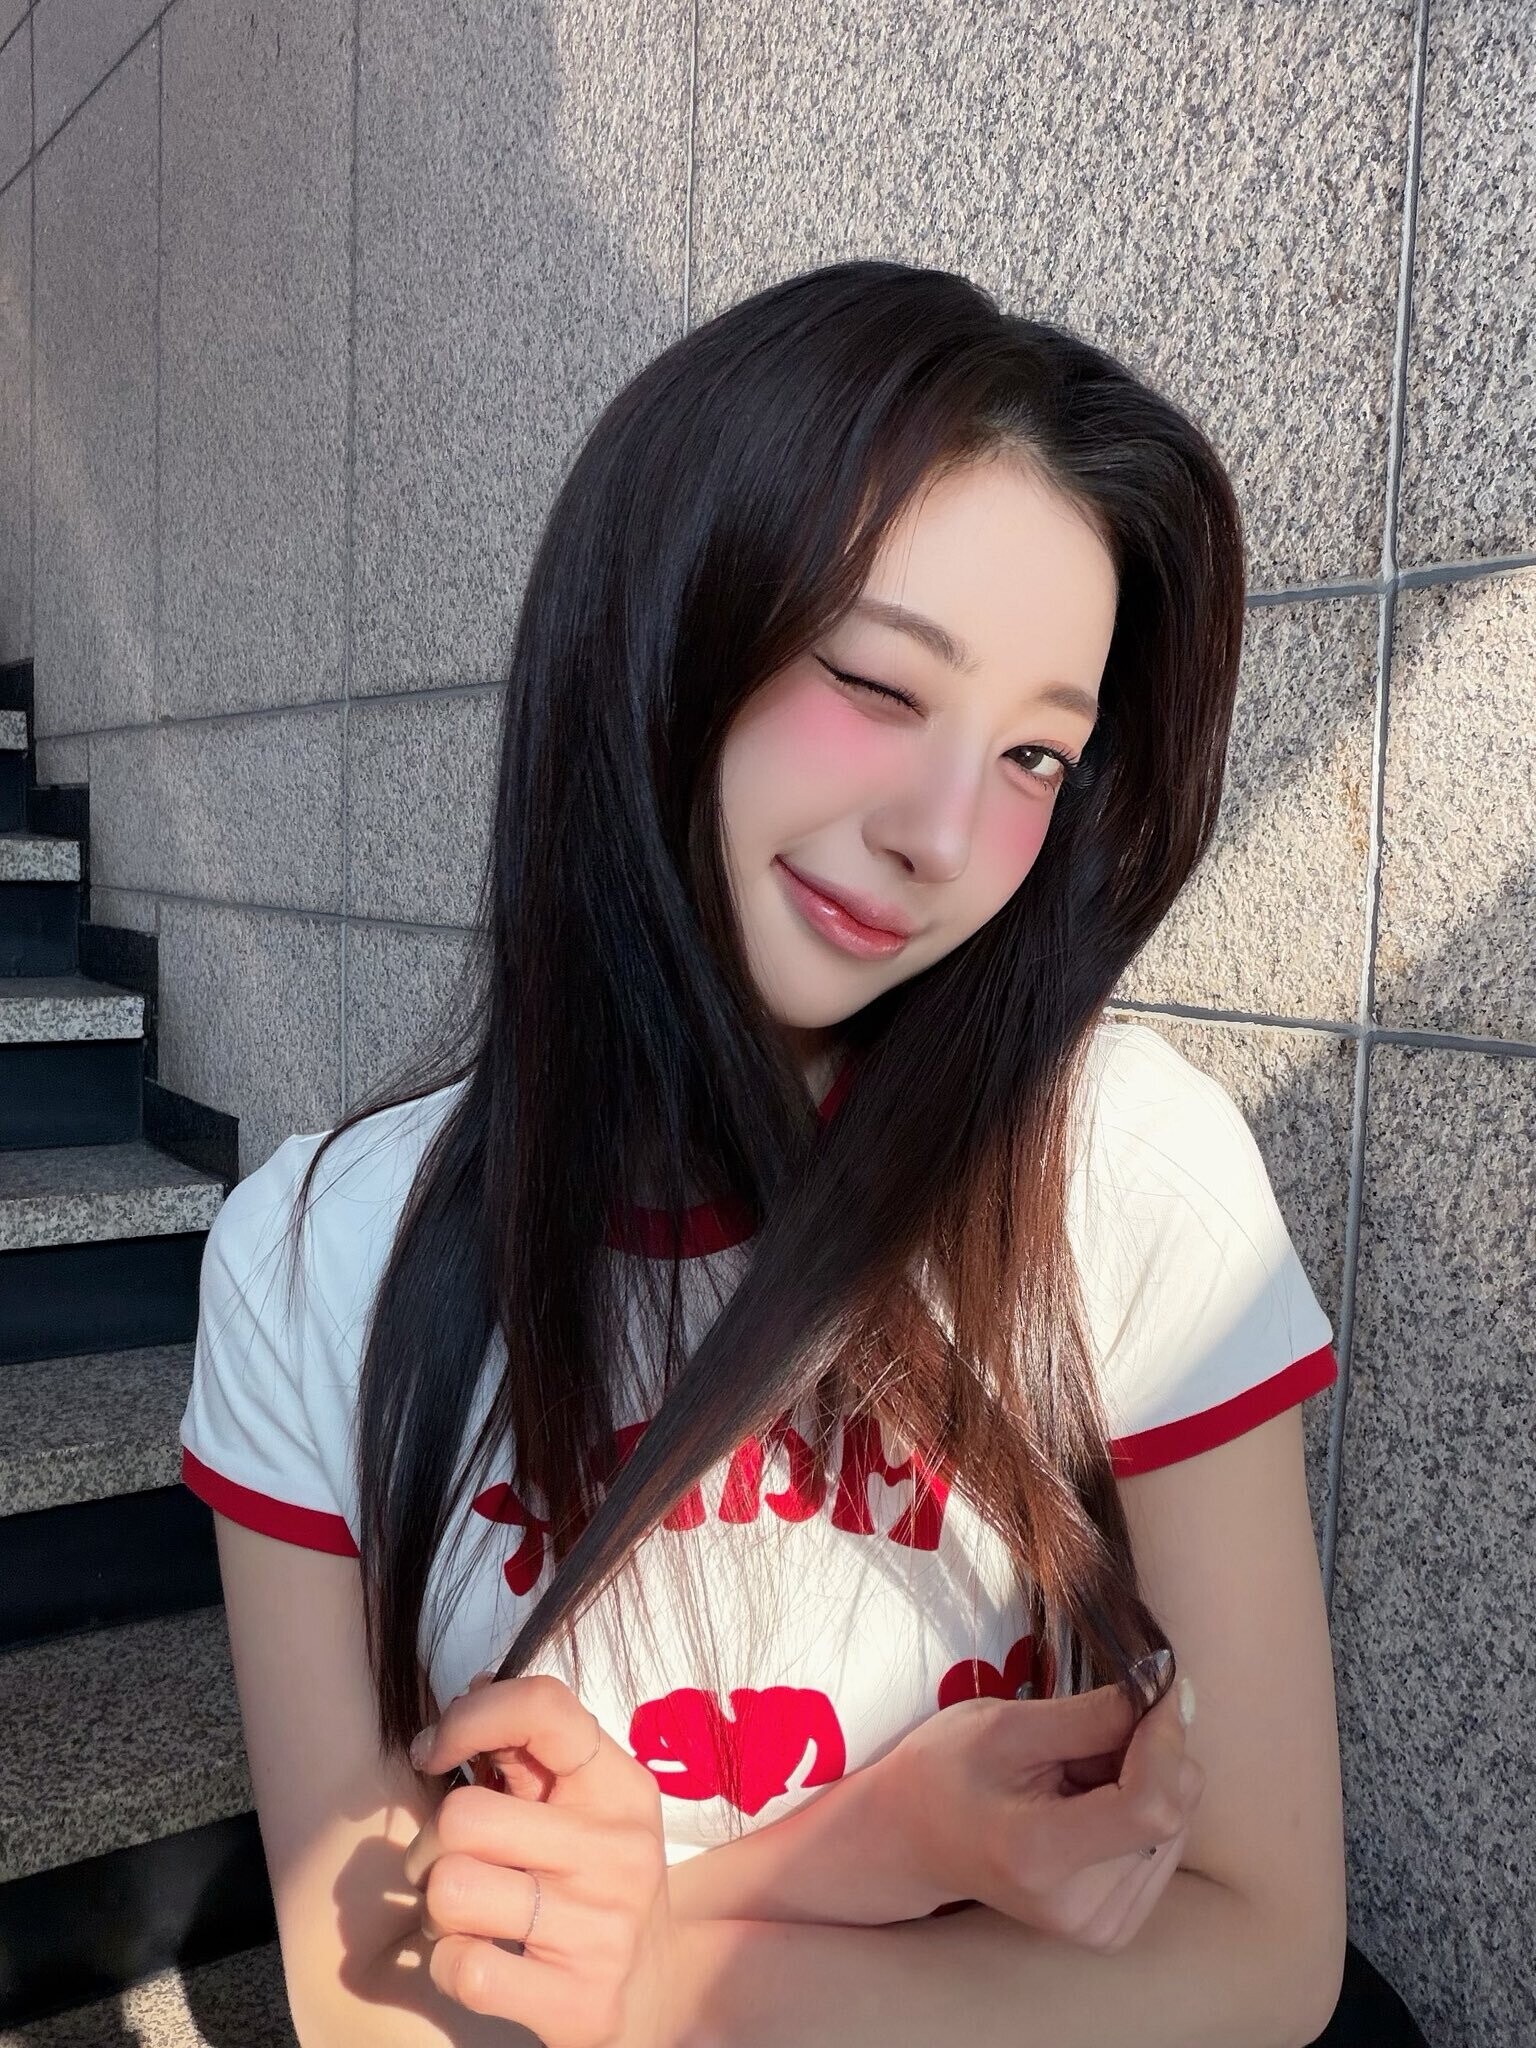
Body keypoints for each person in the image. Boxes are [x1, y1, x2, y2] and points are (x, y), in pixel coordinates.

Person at [180, 260, 1380, 2046]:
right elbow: (359, 1999)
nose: (945, 836)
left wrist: (663, 1963)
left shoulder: (1121, 1166)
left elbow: (1267, 1948)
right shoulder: (317, 1261)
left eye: (1036, 755)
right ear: (664, 626)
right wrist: (868, 1850)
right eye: (881, 684)